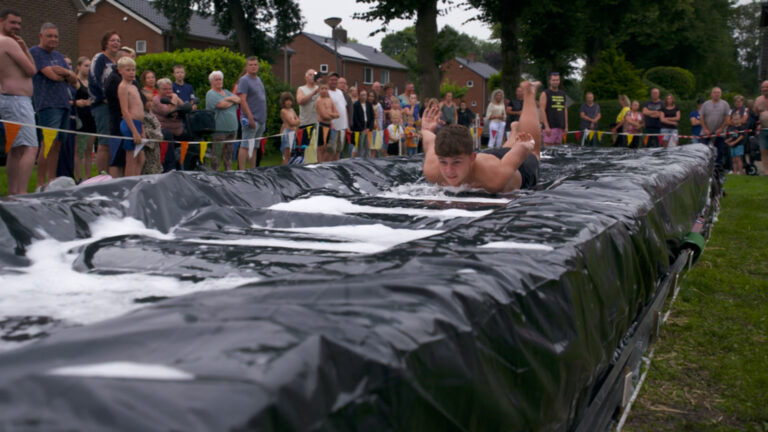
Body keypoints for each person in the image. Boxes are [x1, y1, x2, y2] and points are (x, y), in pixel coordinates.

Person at [421, 80, 539, 193]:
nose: (449, 171)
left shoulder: (493, 179)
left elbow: (523, 150)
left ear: (472, 157)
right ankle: (513, 131)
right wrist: (427, 129)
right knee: (504, 150)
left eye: (456, 162)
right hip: (490, 158)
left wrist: (524, 145)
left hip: (511, 167)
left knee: (534, 153)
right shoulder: (432, 169)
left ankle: (529, 92)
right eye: (443, 162)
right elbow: (430, 141)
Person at [30, 22, 77, 187]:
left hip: (64, 104)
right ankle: (40, 183)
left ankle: (51, 180)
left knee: (57, 145)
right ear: (41, 36)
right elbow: (52, 76)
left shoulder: (58, 56)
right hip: (48, 105)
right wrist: (66, 75)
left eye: (56, 36)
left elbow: (74, 79)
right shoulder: (36, 52)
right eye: (49, 36)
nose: (53, 39)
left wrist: (66, 72)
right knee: (47, 143)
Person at [0, 9, 38, 195]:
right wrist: (24, 49)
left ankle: (13, 194)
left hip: (9, 99)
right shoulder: (7, 42)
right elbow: (31, 70)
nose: (17, 27)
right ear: (1, 21)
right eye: (12, 23)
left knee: (16, 149)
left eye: (19, 24)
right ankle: (22, 193)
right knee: (30, 148)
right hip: (17, 101)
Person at [89, 30, 121, 173]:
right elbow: (94, 78)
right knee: (104, 142)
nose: (116, 43)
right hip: (102, 105)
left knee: (113, 142)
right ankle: (102, 175)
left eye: (118, 41)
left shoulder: (116, 63)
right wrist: (104, 97)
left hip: (115, 107)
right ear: (105, 43)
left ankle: (111, 174)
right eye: (113, 40)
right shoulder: (100, 58)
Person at [206, 70, 239, 171]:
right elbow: (220, 105)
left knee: (228, 154)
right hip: (219, 130)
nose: (219, 81)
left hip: (232, 129)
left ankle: (228, 173)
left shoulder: (227, 92)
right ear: (211, 82)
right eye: (216, 80)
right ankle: (215, 174)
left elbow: (238, 100)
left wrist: (227, 100)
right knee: (217, 154)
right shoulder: (211, 94)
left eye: (220, 79)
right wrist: (231, 100)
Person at [237, 56, 267, 169]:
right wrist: (250, 118)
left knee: (254, 147)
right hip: (251, 119)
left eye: (255, 64)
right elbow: (243, 100)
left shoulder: (258, 79)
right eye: (251, 65)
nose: (253, 67)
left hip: (261, 119)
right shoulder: (244, 80)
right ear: (247, 67)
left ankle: (252, 169)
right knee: (245, 146)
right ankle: (242, 171)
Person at [116, 56, 144, 177]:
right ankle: (129, 183)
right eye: (128, 70)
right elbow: (125, 111)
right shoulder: (123, 87)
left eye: (133, 69)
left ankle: (135, 180)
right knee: (131, 158)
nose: (132, 72)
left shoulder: (134, 86)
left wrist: (141, 130)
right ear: (120, 71)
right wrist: (134, 132)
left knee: (141, 159)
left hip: (138, 124)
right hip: (130, 124)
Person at [74, 56, 95, 182]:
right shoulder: (75, 81)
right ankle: (79, 177)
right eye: (86, 65)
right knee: (78, 149)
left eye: (90, 66)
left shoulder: (92, 83)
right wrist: (77, 102)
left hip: (91, 116)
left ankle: (88, 178)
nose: (88, 69)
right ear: (79, 66)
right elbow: (70, 98)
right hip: (79, 116)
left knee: (88, 148)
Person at [700, 87, 731, 168]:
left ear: (720, 94)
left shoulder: (725, 104)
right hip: (706, 132)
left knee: (719, 151)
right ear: (711, 94)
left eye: (718, 92)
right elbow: (701, 117)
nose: (716, 94)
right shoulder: (705, 104)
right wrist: (705, 128)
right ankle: (704, 166)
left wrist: (721, 129)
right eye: (715, 92)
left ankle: (718, 167)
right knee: (703, 150)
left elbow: (727, 118)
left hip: (720, 133)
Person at [539, 72, 568, 145]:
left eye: (557, 80)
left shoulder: (563, 94)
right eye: (554, 80)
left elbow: (565, 109)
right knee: (548, 150)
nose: (555, 82)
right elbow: (542, 110)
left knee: (558, 150)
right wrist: (546, 126)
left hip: (560, 126)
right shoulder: (545, 93)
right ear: (550, 81)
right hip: (550, 127)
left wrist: (566, 126)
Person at [314, 79, 338, 163]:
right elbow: (324, 116)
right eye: (322, 88)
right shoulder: (319, 100)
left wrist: (329, 114)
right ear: (319, 90)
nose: (324, 90)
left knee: (327, 149)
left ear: (328, 89)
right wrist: (332, 114)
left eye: (326, 88)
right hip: (322, 125)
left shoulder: (329, 100)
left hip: (328, 126)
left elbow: (337, 114)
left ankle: (323, 164)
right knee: (320, 148)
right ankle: (319, 165)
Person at [296, 68, 319, 156]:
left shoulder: (319, 88)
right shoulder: (301, 89)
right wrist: (313, 93)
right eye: (310, 74)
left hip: (318, 124)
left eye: (314, 74)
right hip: (305, 124)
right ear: (305, 77)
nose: (312, 76)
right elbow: (300, 101)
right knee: (304, 150)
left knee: (316, 150)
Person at [140, 89, 163, 175]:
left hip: (155, 146)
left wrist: (158, 133)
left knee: (156, 165)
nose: (150, 103)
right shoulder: (141, 114)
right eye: (147, 101)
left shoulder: (151, 113)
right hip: (148, 146)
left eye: (151, 101)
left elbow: (158, 125)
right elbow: (145, 129)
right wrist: (156, 134)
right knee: (147, 167)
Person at [327, 72, 348, 161]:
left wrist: (347, 125)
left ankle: (336, 170)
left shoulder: (340, 92)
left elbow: (344, 108)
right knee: (331, 151)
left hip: (342, 126)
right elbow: (327, 110)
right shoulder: (327, 92)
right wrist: (330, 123)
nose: (334, 82)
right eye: (332, 79)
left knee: (339, 150)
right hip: (333, 127)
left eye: (336, 80)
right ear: (328, 80)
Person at [725, 95, 748, 175]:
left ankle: (741, 170)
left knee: (739, 157)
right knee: (733, 157)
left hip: (741, 136)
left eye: (739, 101)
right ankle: (734, 170)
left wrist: (735, 122)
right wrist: (735, 122)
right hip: (732, 133)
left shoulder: (745, 110)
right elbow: (727, 121)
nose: (738, 103)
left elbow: (744, 120)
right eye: (736, 101)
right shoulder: (731, 111)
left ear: (742, 102)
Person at [351, 88, 374, 159]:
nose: (364, 97)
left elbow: (372, 117)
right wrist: (361, 129)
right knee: (360, 146)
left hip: (367, 127)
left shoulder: (369, 105)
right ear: (359, 96)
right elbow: (355, 118)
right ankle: (359, 160)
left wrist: (369, 128)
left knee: (367, 146)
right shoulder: (356, 105)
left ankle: (367, 160)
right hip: (359, 128)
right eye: (362, 95)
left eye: (365, 95)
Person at [279, 91, 300, 165]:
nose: (289, 102)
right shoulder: (283, 111)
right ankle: (282, 171)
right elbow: (291, 123)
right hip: (287, 133)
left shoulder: (292, 110)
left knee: (290, 155)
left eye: (290, 100)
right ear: (283, 102)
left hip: (293, 133)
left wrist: (296, 122)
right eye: (286, 100)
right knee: (286, 155)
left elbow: (298, 120)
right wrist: (295, 122)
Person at [754, 80, 768, 175]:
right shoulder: (758, 100)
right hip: (762, 130)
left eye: (766, 87)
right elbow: (755, 114)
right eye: (763, 87)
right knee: (763, 150)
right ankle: (766, 171)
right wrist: (758, 124)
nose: (765, 89)